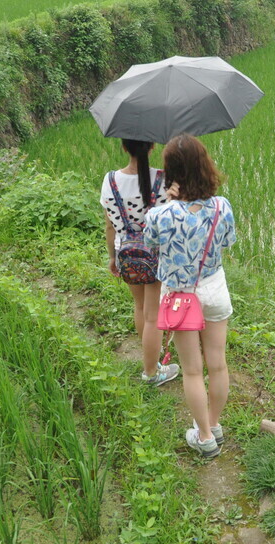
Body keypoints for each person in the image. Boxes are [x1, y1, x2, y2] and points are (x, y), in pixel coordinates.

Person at [145, 135, 236, 458]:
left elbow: (150, 242)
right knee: (218, 364)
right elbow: (227, 242)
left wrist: (168, 204)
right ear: (204, 166)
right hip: (214, 289)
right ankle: (213, 424)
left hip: (181, 297)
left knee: (193, 370)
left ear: (171, 172)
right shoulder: (222, 206)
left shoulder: (161, 215)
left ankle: (205, 436)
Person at [101, 139, 179, 386]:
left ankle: (151, 362)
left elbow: (109, 224)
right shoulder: (165, 180)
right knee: (152, 315)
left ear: (124, 147)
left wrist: (112, 257)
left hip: (126, 253)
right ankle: (151, 373)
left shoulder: (110, 180)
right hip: (155, 256)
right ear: (152, 147)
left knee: (139, 307)